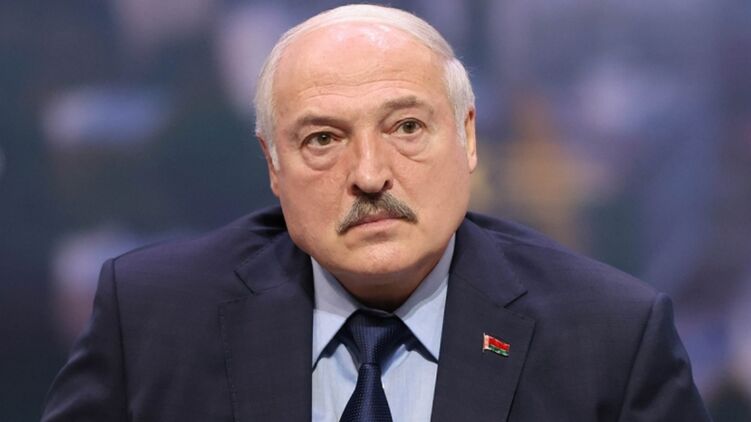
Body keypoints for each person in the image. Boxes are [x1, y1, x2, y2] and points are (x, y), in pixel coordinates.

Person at [42, 4, 711, 421]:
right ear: (272, 165)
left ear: (468, 138)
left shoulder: (609, 337)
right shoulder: (153, 318)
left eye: (407, 128)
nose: (368, 174)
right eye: (322, 140)